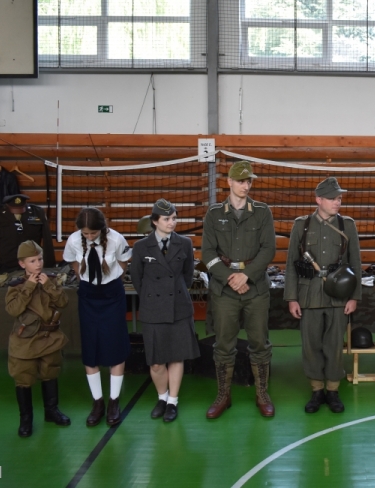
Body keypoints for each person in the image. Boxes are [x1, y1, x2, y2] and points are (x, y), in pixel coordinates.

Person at [202, 161, 276, 419]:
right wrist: (229, 278)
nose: (246, 186)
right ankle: (223, 395)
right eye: (241, 181)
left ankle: (262, 394)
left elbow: (268, 249)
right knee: (223, 345)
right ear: (230, 182)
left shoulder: (262, 212)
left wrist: (246, 275)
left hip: (256, 289)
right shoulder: (214, 214)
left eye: (249, 181)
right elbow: (207, 253)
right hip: (225, 291)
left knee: (260, 343)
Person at [284, 177, 362, 414]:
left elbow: (356, 264)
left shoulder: (347, 225)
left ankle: (333, 390)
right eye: (332, 198)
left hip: (339, 294)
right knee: (311, 345)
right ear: (318, 200)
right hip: (309, 293)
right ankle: (317, 390)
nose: (337, 202)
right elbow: (291, 264)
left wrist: (354, 297)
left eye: (339, 198)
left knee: (334, 344)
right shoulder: (302, 225)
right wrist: (292, 298)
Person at [129, 199, 200, 423]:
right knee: (157, 361)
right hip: (153, 309)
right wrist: (152, 296)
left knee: (176, 356)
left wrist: (175, 293)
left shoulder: (185, 243)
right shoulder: (141, 247)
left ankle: (172, 401)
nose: (172, 222)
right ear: (154, 221)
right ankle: (162, 397)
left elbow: (187, 275)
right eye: (167, 219)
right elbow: (137, 278)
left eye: (174, 218)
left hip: (178, 306)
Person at [63, 207, 132, 428]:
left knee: (115, 346)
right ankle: (98, 402)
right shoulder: (74, 240)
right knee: (90, 346)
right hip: (88, 295)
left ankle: (114, 401)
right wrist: (82, 277)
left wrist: (113, 279)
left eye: (93, 233)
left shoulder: (116, 239)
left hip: (112, 294)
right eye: (86, 233)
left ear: (102, 228)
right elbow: (73, 263)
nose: (90, 237)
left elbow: (123, 262)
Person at [5, 240, 70, 437]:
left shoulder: (50, 280)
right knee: (23, 377)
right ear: (22, 263)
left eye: (40, 259)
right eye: (32, 261)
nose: (38, 264)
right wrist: (29, 287)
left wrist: (48, 285)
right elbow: (13, 309)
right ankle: (26, 419)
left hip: (49, 336)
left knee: (50, 372)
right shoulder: (16, 285)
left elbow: (63, 302)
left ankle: (51, 411)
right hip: (26, 339)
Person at [0, 194, 55, 278]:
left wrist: (49, 269)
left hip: (33, 269)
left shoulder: (37, 212)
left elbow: (47, 242)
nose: (18, 211)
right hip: (7, 268)